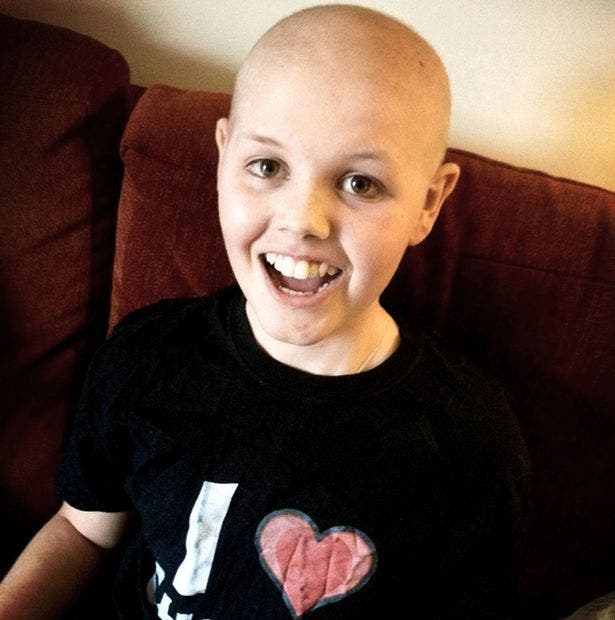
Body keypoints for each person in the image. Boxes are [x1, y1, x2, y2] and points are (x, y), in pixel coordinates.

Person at [0, 4, 530, 619]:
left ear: (428, 204)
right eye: (268, 167)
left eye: (360, 183)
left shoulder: (469, 442)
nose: (303, 221)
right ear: (223, 158)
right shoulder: (147, 356)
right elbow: (83, 531)